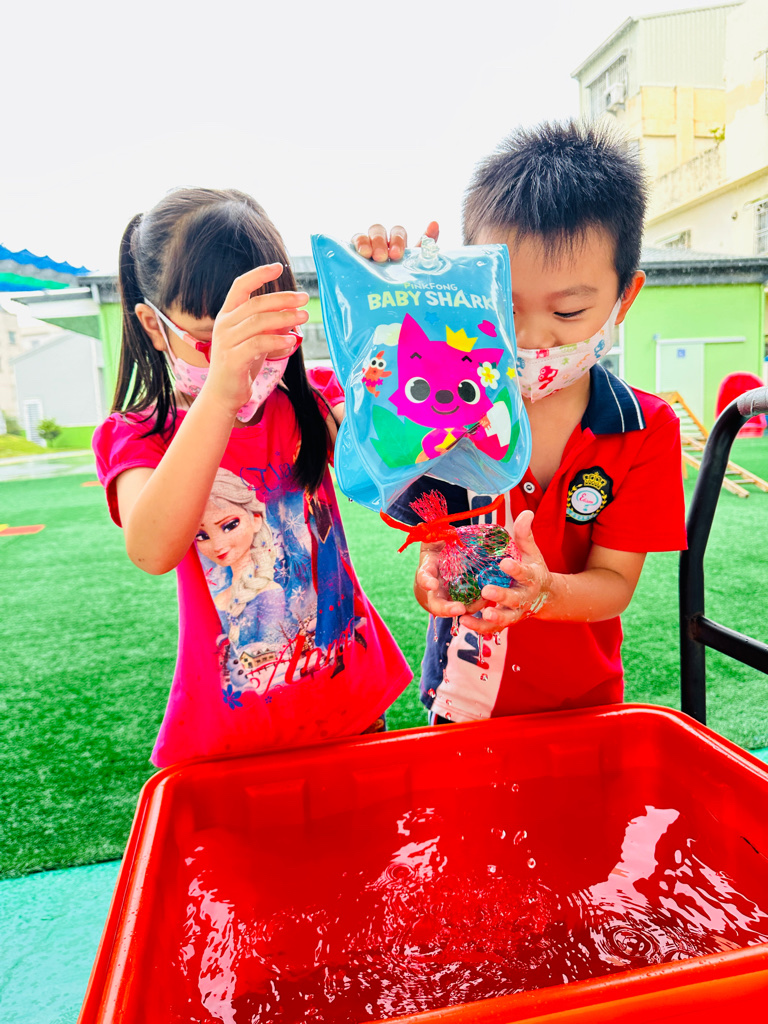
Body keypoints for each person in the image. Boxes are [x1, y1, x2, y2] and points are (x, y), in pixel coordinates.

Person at [353, 120, 686, 724]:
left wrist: (544, 592)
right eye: (504, 307)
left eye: (570, 310)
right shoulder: (446, 409)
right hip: (460, 702)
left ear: (625, 298)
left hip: (582, 708)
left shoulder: (643, 429)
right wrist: (396, 299)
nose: (531, 338)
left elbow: (614, 583)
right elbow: (429, 551)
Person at [93, 188, 411, 765]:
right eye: (215, 340)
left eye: (265, 333)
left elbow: (408, 472)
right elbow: (151, 549)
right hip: (233, 733)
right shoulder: (140, 435)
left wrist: (391, 314)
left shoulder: (311, 401)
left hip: (352, 704)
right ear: (153, 325)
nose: (248, 361)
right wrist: (220, 393)